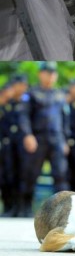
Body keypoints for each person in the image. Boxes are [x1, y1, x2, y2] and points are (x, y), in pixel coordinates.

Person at [20, 62, 70, 217]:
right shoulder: (31, 93)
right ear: (40, 74)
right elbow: (23, 116)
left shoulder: (60, 94)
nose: (50, 76)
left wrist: (65, 140)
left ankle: (61, 213)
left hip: (56, 139)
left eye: (53, 73)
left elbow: (65, 119)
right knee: (30, 174)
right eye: (47, 72)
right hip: (38, 139)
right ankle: (25, 209)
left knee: (60, 175)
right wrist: (27, 134)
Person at [0, 76, 30, 217]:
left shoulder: (28, 102)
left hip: (23, 145)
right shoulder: (8, 103)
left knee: (24, 175)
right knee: (8, 176)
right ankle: (10, 207)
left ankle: (23, 208)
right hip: (9, 145)